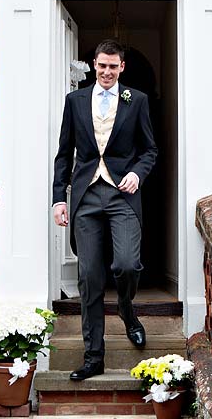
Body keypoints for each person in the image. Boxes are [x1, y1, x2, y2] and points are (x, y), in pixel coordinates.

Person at [52, 39, 158, 381]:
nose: (107, 72)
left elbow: (149, 151)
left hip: (121, 197)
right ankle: (93, 356)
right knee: (89, 277)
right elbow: (63, 154)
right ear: (94, 66)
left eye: (113, 66)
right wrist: (59, 199)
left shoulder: (137, 100)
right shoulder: (75, 101)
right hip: (85, 196)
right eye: (102, 66)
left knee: (127, 263)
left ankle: (127, 310)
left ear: (121, 67)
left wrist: (135, 174)